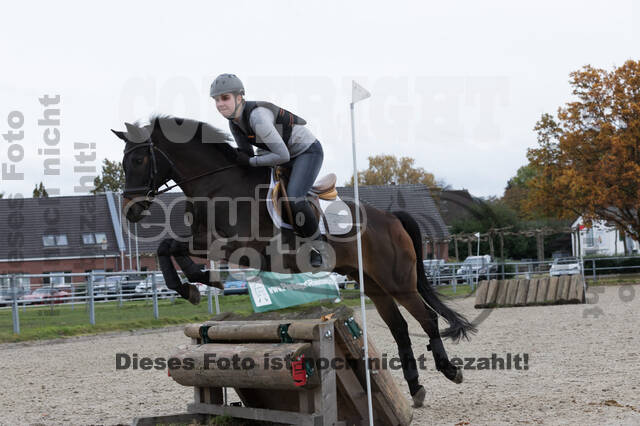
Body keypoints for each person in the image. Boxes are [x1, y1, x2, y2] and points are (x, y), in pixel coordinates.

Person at [210, 73, 325, 267]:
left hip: (305, 152)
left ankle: (319, 247)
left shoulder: (258, 117)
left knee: (294, 198)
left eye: (225, 98)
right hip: (281, 155)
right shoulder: (234, 123)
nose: (220, 103)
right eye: (216, 100)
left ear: (239, 98)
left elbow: (281, 156)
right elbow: (245, 155)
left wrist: (252, 162)